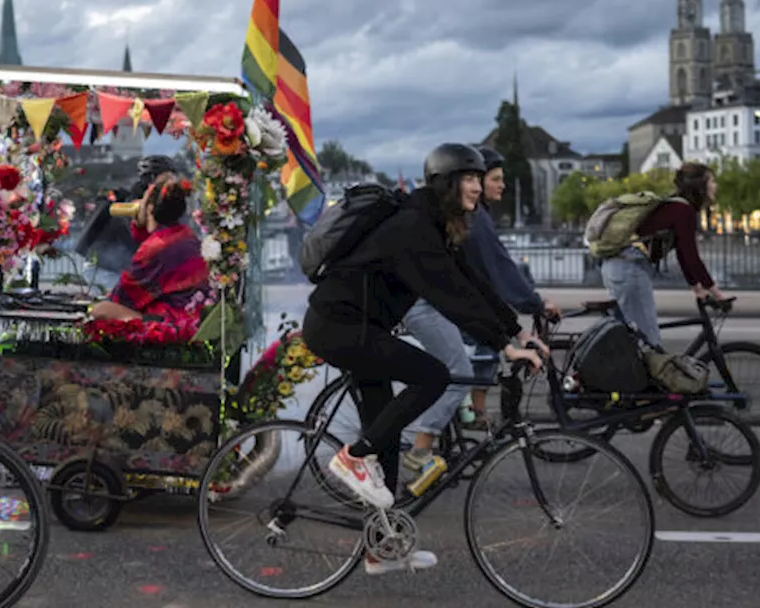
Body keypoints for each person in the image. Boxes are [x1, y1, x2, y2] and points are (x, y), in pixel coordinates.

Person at [302, 143, 548, 576]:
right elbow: (447, 295)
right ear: (448, 184)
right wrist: (502, 344)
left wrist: (516, 330)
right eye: (470, 178)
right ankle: (352, 457)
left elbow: (469, 281)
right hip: (339, 328)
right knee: (434, 375)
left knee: (387, 441)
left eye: (479, 178)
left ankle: (382, 548)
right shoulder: (413, 228)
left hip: (361, 329)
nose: (477, 186)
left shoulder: (432, 224)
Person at [401, 146, 561, 471]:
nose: (498, 186)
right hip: (416, 304)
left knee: (471, 362)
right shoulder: (465, 221)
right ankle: (422, 447)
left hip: (434, 302)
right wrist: (514, 331)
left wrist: (515, 331)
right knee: (458, 371)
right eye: (489, 179)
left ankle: (469, 420)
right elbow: (476, 282)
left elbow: (474, 281)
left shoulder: (463, 219)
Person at [600, 161, 731, 349]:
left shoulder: (677, 207)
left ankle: (622, 375)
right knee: (650, 342)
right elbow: (691, 255)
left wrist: (697, 289)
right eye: (712, 180)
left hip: (619, 266)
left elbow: (683, 255)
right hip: (629, 270)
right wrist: (717, 293)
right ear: (700, 186)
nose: (715, 185)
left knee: (634, 339)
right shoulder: (683, 210)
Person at [89, 175, 210, 321]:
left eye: (143, 200)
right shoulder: (187, 235)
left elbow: (123, 298)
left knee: (101, 309)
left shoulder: (155, 247)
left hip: (173, 321)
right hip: (193, 315)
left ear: (150, 208)